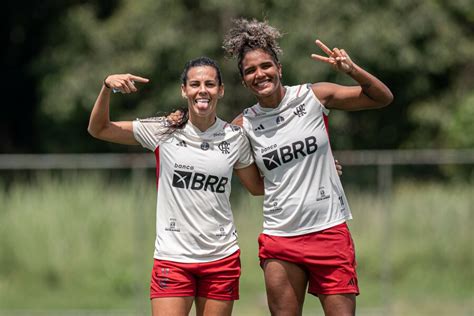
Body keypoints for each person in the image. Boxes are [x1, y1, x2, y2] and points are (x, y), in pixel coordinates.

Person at [222, 18, 394, 316]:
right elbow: (255, 188)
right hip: (281, 238)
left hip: (329, 232)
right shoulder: (242, 125)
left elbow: (382, 98)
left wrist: (351, 70)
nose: (259, 74)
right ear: (243, 80)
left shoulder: (314, 96)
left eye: (265, 66)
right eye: (250, 70)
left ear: (279, 67)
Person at [87, 56, 264, 316]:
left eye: (210, 84)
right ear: (184, 90)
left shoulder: (235, 138)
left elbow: (257, 187)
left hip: (221, 259)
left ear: (221, 90)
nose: (202, 90)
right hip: (173, 259)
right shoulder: (163, 130)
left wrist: (318, 167)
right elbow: (99, 129)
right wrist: (106, 87)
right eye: (195, 84)